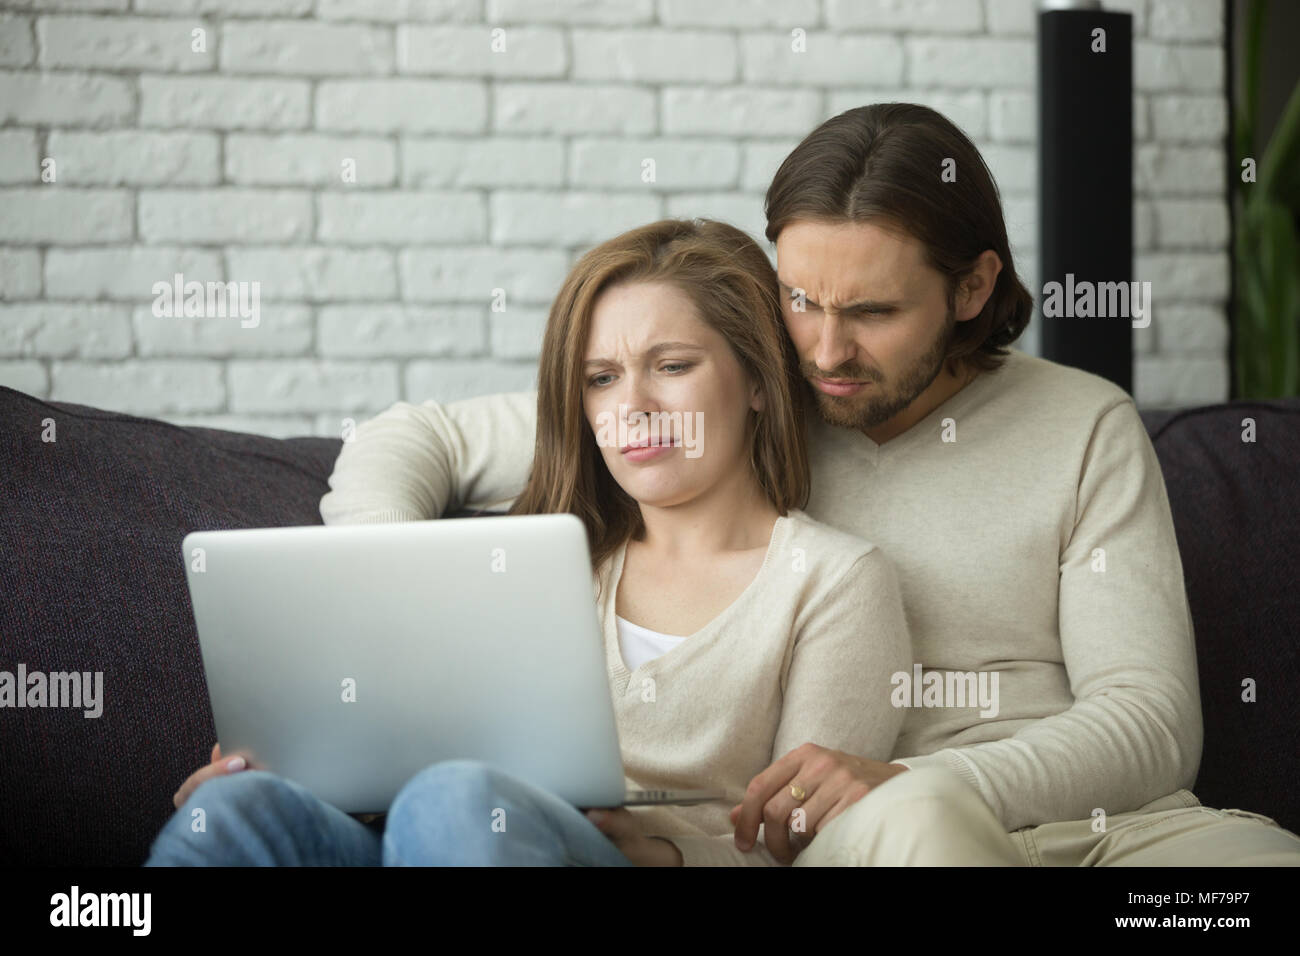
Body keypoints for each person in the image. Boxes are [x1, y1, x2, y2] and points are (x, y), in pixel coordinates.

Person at [316, 103, 1300, 866]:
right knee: (918, 825)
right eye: (799, 299)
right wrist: (385, 581)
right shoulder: (735, 395)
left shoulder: (1085, 423)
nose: (825, 350)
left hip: (1095, 826)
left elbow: (1150, 719)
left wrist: (918, 771)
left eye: (870, 310)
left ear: (969, 288)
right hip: (876, 833)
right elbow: (416, 436)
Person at [145, 218, 912, 867]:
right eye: (601, 379)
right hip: (440, 841)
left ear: (757, 380)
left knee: (460, 799)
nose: (631, 408)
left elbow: (811, 844)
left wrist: (660, 848)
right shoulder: (538, 562)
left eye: (671, 367)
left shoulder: (834, 581)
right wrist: (298, 768)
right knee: (240, 809)